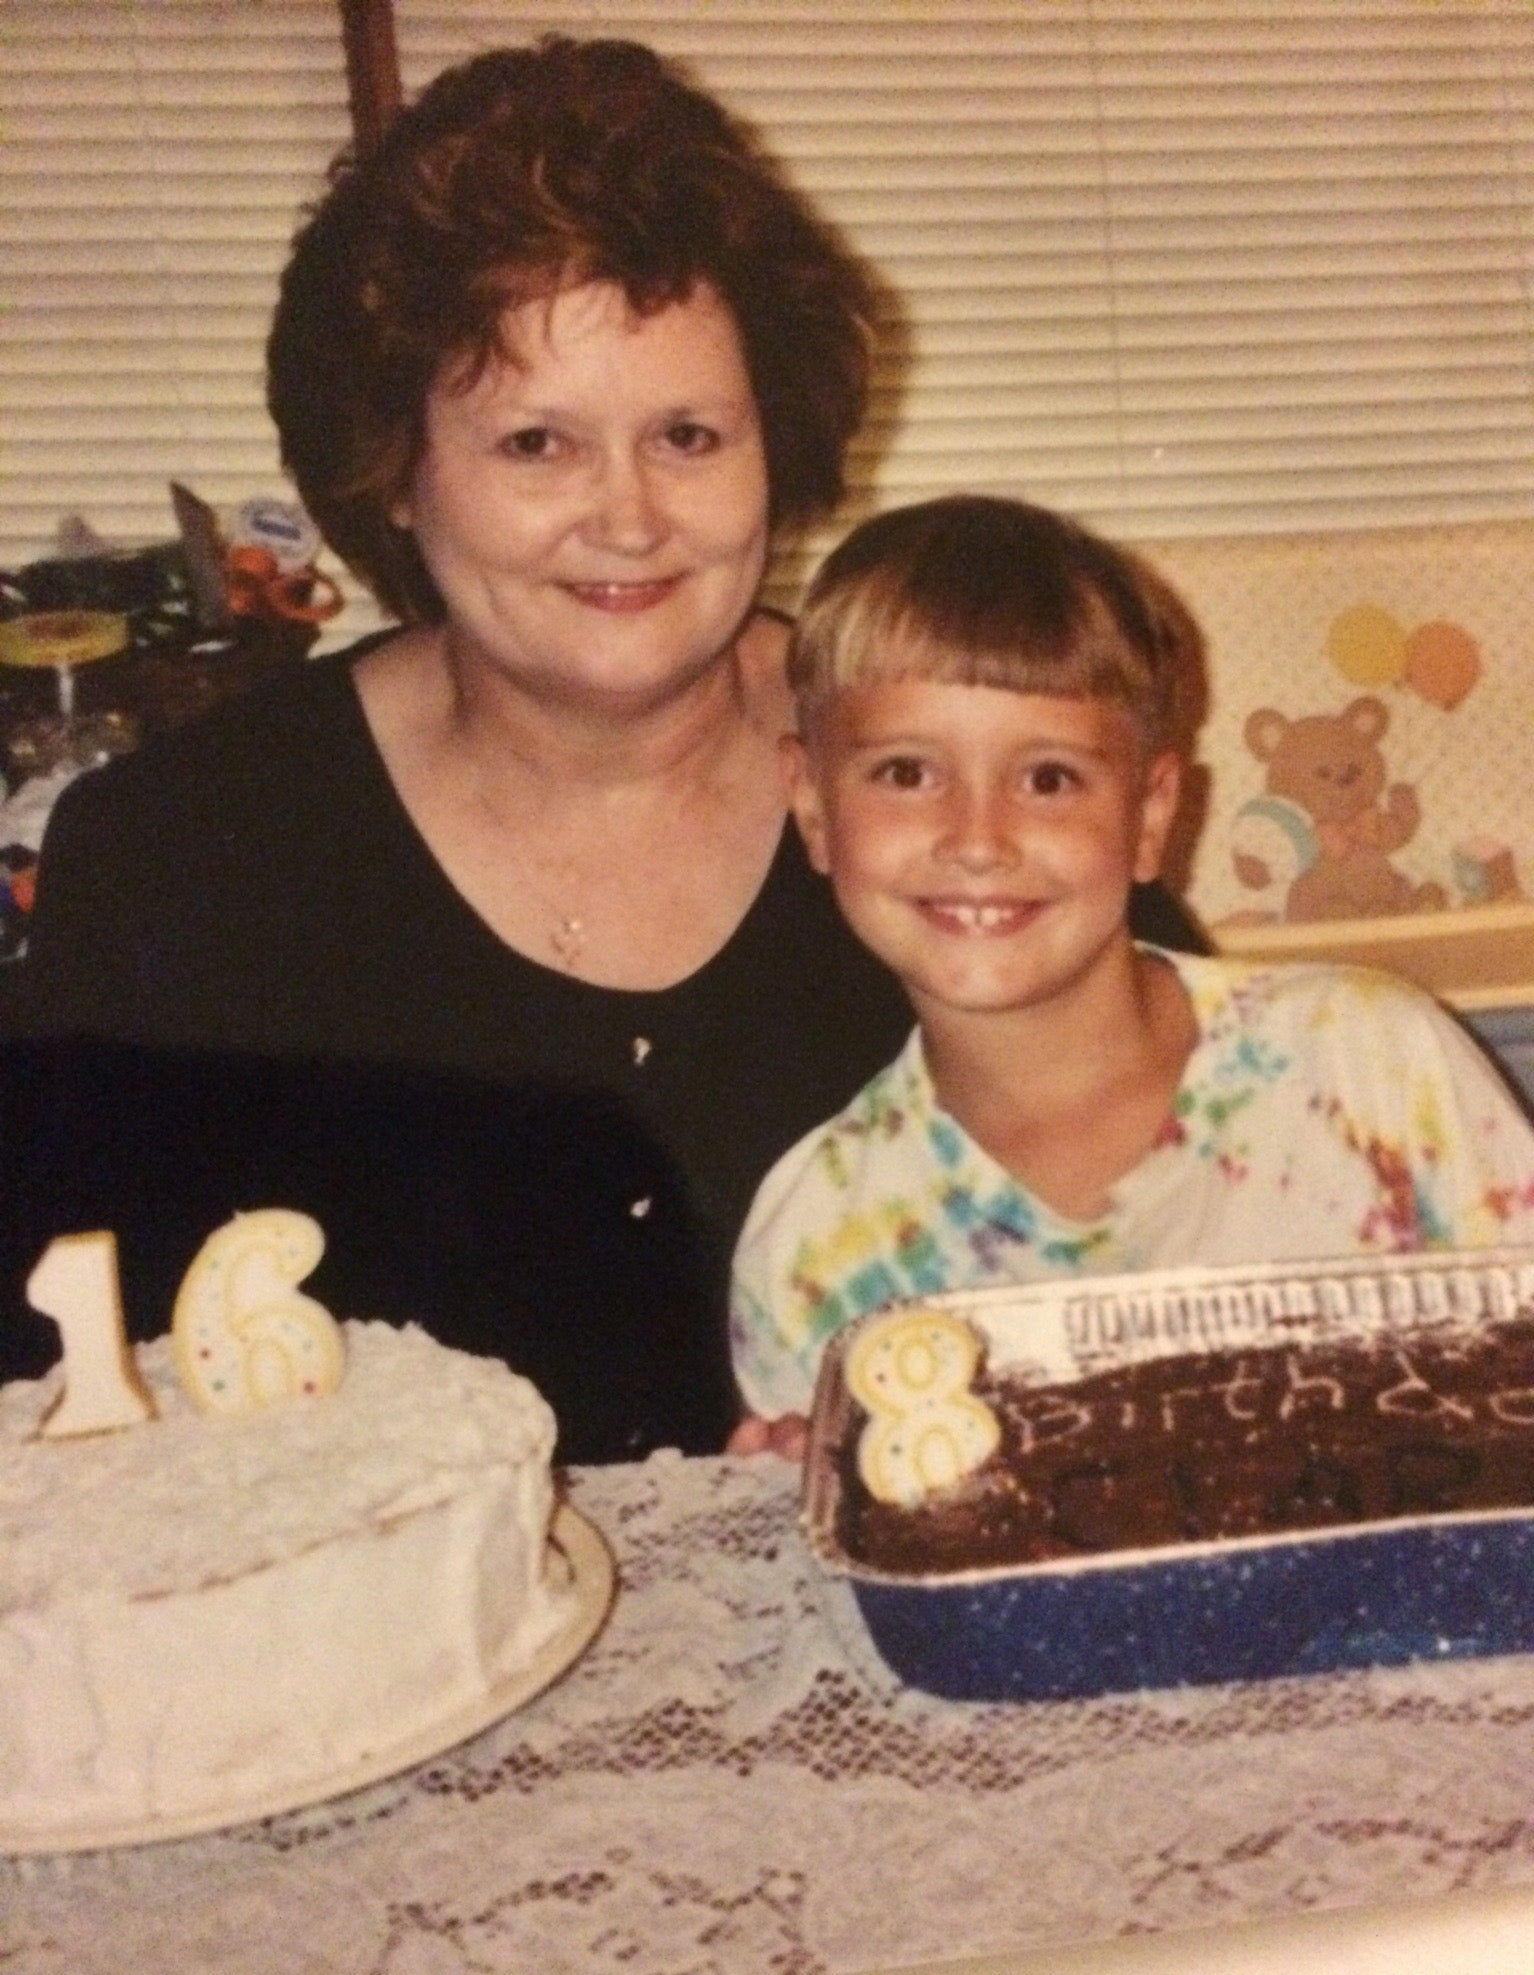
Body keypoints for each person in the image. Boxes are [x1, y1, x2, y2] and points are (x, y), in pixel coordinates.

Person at [11, 42, 1202, 1460]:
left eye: (688, 434)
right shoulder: (183, 859)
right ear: (395, 469)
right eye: (536, 445)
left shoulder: (973, 784)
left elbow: (1217, 1249)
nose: (628, 518)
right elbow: (64, 1407)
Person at [729, 495, 1534, 1445]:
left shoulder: (1369, 1063)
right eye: (907, 773)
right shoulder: (818, 1244)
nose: (978, 840)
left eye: (1049, 779)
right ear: (814, 807)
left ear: (1152, 815)